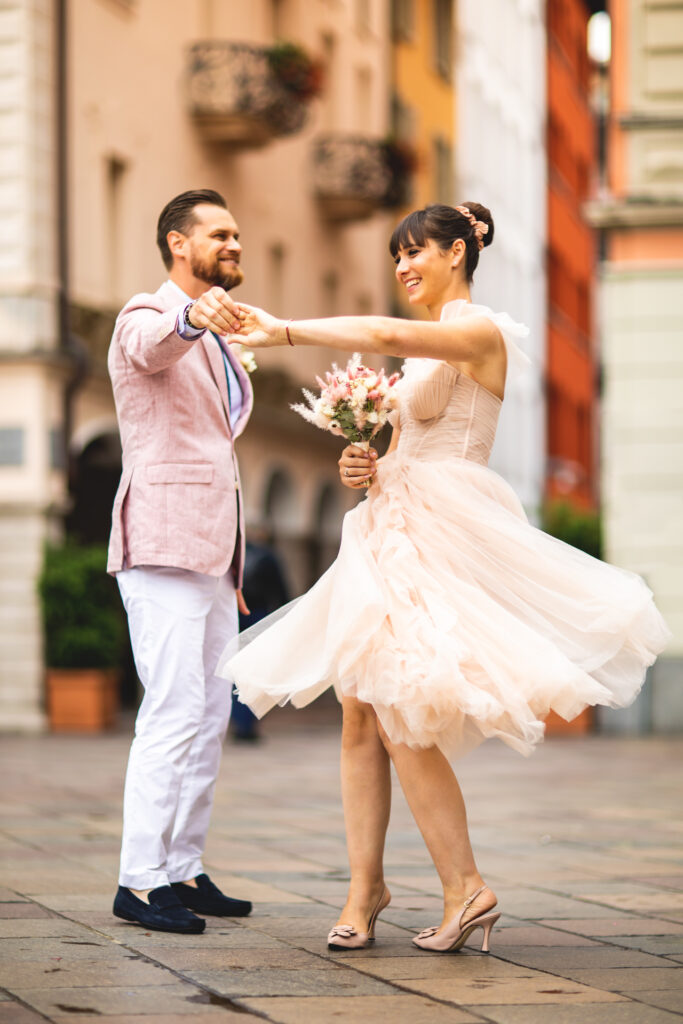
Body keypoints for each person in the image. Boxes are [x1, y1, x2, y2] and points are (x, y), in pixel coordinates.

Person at [219, 202, 670, 955]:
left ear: (458, 253)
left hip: (442, 527)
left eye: (415, 251)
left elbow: (389, 334)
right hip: (390, 521)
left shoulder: (479, 331)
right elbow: (405, 436)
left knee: (400, 708)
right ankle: (366, 890)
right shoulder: (425, 356)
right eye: (396, 255)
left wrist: (284, 330)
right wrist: (363, 460)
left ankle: (464, 886)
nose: (402, 267)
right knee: (359, 710)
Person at [107, 189, 254, 934]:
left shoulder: (223, 340)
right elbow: (150, 346)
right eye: (218, 234)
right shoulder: (146, 313)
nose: (234, 242)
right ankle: (138, 881)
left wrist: (232, 573)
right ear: (177, 243)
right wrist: (193, 316)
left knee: (207, 717)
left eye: (236, 233)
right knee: (170, 713)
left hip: (210, 558)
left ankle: (183, 867)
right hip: (162, 545)